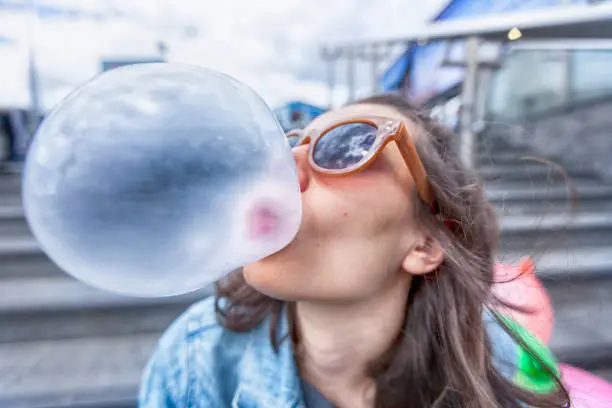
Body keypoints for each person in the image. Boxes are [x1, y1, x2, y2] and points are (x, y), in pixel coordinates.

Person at [138, 94, 570, 408]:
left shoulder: (497, 365)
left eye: (348, 147)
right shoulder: (197, 360)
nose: (285, 167)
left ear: (427, 243)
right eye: (289, 145)